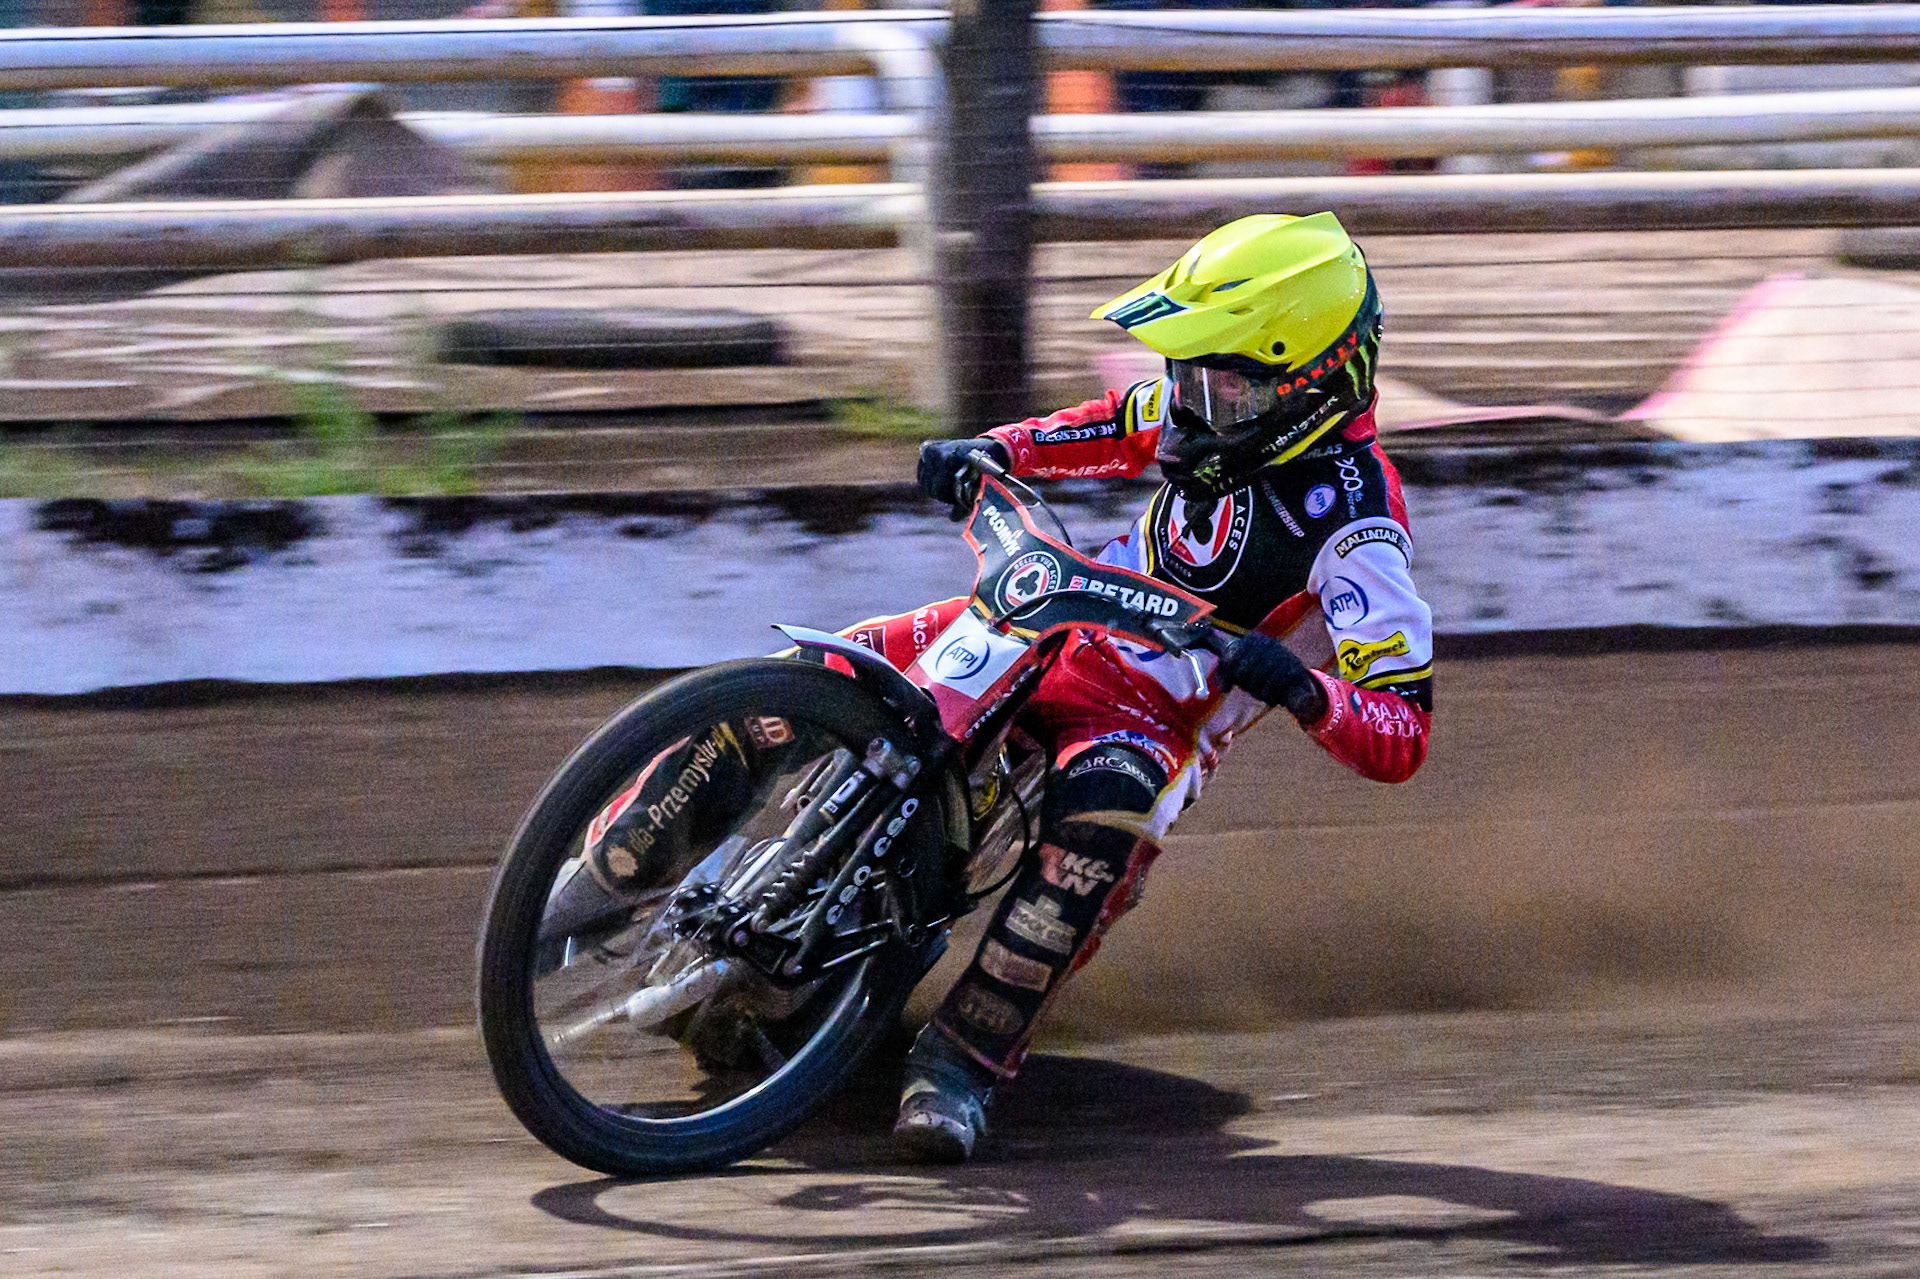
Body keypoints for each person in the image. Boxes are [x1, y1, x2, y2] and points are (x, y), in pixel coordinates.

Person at [842, 211, 1435, 1164]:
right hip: (1049, 623)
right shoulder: (1221, 399)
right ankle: (612, 863)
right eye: (1184, 373)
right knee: (836, 669)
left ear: (1310, 389)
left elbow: (1403, 728)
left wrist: (1300, 685)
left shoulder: (1360, 529)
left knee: (1104, 823)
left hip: (1150, 719)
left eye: (1218, 384)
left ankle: (959, 1063)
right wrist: (992, 449)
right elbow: (1109, 428)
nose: (1187, 405)